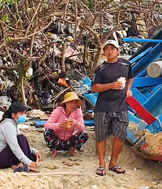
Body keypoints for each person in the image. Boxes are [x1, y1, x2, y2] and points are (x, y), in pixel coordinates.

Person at [90, 39, 134, 176]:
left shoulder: (125, 64)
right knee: (101, 135)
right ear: (104, 52)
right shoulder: (101, 68)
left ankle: (113, 162)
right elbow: (94, 87)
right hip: (103, 106)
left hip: (121, 106)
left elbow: (131, 77)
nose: (110, 51)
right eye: (107, 49)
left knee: (121, 134)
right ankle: (102, 163)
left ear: (118, 51)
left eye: (112, 48)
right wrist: (110, 85)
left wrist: (128, 89)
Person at [0, 102, 41, 172]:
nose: (24, 115)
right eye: (22, 113)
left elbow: (20, 145)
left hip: (3, 154)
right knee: (21, 138)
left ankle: (17, 164)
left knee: (32, 155)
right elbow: (15, 146)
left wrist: (34, 151)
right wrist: (29, 162)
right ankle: (23, 165)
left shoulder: (13, 124)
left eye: (25, 113)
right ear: (13, 115)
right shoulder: (8, 125)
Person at [44, 92, 88, 158]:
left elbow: (83, 128)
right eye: (71, 102)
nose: (73, 105)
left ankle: (72, 150)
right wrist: (59, 125)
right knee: (47, 131)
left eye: (75, 102)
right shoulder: (58, 111)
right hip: (57, 140)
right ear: (66, 103)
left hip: (69, 141)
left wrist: (76, 123)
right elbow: (47, 125)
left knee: (84, 134)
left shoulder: (78, 111)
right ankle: (54, 150)